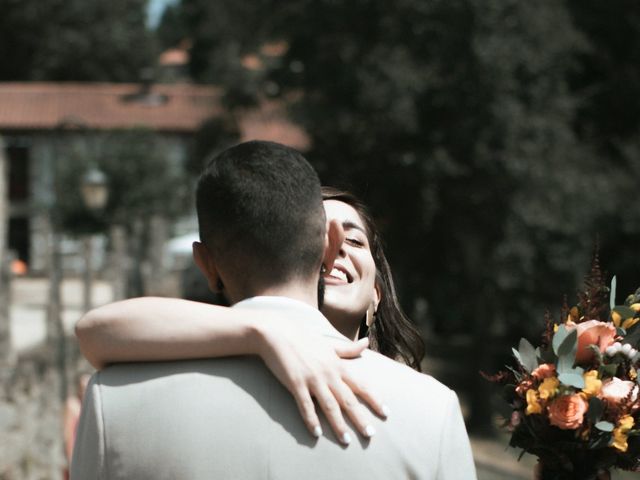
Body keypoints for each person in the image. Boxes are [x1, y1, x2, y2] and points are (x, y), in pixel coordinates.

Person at [72, 140, 476, 479]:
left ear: (206, 264)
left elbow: (92, 330)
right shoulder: (431, 409)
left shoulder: (114, 399)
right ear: (327, 247)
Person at [75, 188, 424, 441]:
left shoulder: (420, 405)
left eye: (355, 241)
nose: (335, 250)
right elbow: (94, 329)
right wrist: (261, 329)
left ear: (377, 296)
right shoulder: (237, 348)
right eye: (319, 237)